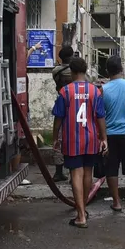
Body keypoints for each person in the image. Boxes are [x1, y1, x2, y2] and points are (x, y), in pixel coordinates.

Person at [52, 58, 108, 228]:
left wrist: (55, 137)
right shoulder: (95, 91)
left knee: (76, 174)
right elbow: (100, 116)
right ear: (85, 71)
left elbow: (58, 118)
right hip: (91, 138)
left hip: (72, 139)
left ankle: (81, 215)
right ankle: (83, 207)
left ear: (72, 72)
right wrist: (104, 138)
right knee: (87, 173)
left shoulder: (65, 91)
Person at [102, 56, 125, 212]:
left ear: (107, 71)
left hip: (110, 134)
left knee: (112, 169)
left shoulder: (103, 89)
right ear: (121, 69)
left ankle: (117, 202)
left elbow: (100, 115)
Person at [51, 45, 76, 182]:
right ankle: (74, 173)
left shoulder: (56, 71)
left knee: (59, 138)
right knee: (74, 137)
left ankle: (58, 172)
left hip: (61, 101)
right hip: (75, 104)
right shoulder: (75, 71)